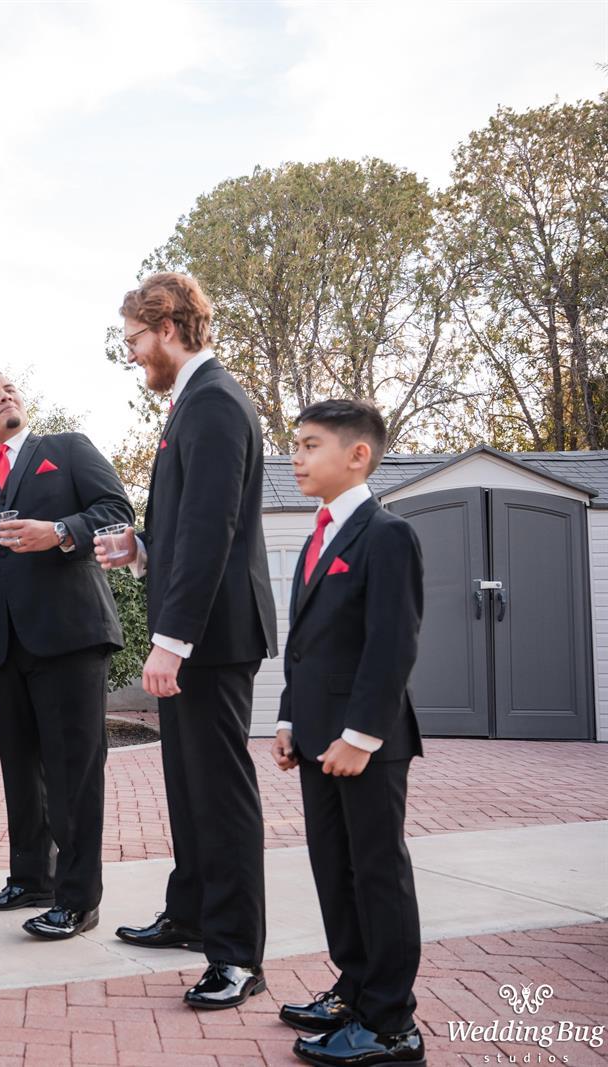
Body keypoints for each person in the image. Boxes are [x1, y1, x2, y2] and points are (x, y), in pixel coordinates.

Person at [99, 271, 278, 1009]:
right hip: (201, 630)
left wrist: (171, 640)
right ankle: (192, 911)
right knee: (188, 784)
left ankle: (237, 954)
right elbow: (187, 530)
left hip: (213, 636)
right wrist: (140, 549)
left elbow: (212, 535)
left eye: (137, 340)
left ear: (168, 327)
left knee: (222, 791)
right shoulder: (192, 405)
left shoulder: (213, 404)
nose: (135, 354)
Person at [0, 369, 132, 940]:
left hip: (69, 637)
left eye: (9, 389)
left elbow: (117, 511)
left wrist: (61, 531)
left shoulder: (66, 451)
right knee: (20, 768)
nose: (4, 396)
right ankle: (30, 878)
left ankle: (78, 899)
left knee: (74, 771)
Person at [272, 399, 426, 1067]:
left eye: (309, 445)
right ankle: (356, 987)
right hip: (314, 737)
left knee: (376, 872)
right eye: (296, 445)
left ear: (357, 455)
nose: (296, 458)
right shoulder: (319, 533)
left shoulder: (386, 534)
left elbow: (392, 644)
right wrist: (287, 717)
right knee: (335, 872)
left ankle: (392, 1023)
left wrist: (360, 734)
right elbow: (306, 642)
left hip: (365, 742)